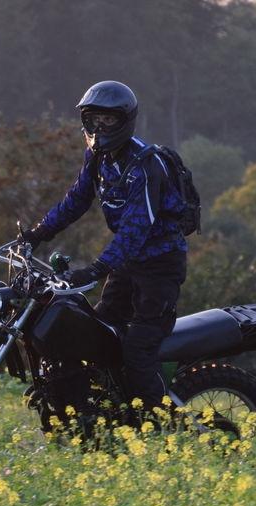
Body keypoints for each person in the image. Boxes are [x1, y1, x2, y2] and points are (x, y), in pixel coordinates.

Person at [22, 80, 188, 409]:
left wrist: (96, 269)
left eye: (108, 120)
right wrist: (37, 233)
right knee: (96, 338)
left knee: (137, 350)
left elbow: (135, 230)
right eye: (93, 119)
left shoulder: (145, 166)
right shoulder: (98, 157)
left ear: (125, 120)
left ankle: (159, 426)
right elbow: (76, 201)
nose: (99, 127)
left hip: (159, 269)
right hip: (128, 265)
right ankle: (107, 411)